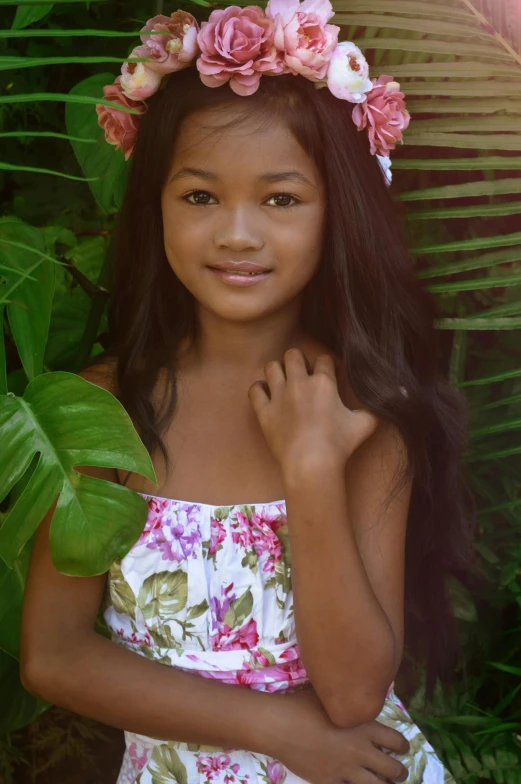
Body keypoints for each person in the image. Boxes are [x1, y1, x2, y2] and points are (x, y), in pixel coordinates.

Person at [20, 2, 476, 782]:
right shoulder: (102, 407)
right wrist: (275, 731)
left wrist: (310, 470)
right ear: (153, 205)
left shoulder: (360, 408)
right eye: (199, 196)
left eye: (280, 199)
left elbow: (354, 692)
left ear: (337, 215)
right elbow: (52, 656)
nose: (236, 233)